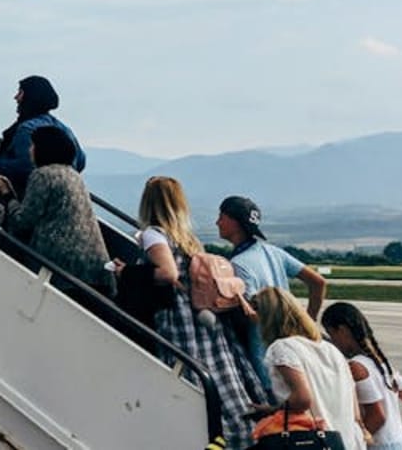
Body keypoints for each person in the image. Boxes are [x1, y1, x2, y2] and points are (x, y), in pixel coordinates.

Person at [125, 176, 265, 447]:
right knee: (223, 382)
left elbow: (168, 273)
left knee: (189, 380)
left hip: (180, 322)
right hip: (205, 320)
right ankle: (239, 438)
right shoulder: (189, 238)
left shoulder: (154, 234)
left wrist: (127, 272)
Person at [218, 194, 328, 400]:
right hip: (295, 349)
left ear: (235, 222)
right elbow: (318, 282)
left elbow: (252, 314)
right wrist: (309, 319)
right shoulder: (274, 252)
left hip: (265, 360)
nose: (217, 222)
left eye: (221, 216)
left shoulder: (239, 264)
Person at [253, 287, 365, 450]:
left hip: (312, 441)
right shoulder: (331, 349)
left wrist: (272, 411)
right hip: (346, 441)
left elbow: (303, 399)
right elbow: (355, 412)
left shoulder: (282, 348)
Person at [6, 124, 112, 294]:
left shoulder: (43, 175)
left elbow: (23, 221)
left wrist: (8, 196)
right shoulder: (73, 174)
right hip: (93, 265)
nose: (30, 151)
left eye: (33, 145)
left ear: (43, 149)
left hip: (60, 266)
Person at [321, 302, 402, 449]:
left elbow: (378, 416)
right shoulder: (381, 362)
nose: (333, 341)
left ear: (342, 330)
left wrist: (355, 442)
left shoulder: (356, 367)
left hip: (382, 445)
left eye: (331, 334)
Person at [0, 75, 84, 197]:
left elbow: (27, 167)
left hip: (28, 198)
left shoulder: (27, 129)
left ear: (30, 96)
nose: (16, 97)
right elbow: (81, 160)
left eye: (20, 92)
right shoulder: (63, 129)